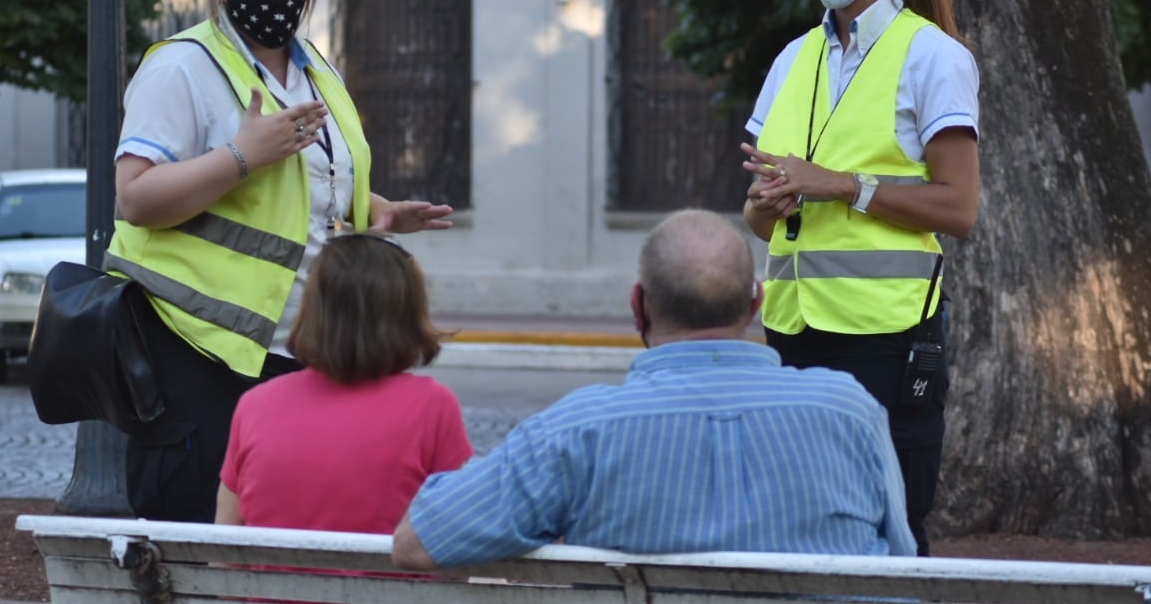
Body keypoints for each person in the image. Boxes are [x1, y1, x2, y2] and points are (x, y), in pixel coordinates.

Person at [105, 0, 453, 522]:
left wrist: (369, 208)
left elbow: (303, 182)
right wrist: (242, 155)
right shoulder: (180, 69)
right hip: (200, 354)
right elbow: (134, 199)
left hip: (303, 351)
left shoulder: (314, 68)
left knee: (286, 534)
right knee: (200, 545)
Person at [392, 209, 916, 569]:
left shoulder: (579, 429)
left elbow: (418, 543)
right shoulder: (851, 411)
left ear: (638, 306)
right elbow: (900, 561)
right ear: (755, 304)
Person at [741, 0, 980, 556]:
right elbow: (757, 219)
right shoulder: (792, 61)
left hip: (887, 336)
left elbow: (959, 208)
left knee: (888, 531)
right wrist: (768, 201)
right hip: (792, 334)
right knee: (797, 525)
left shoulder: (932, 57)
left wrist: (844, 184)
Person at [215, 234, 472, 532]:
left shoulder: (254, 405)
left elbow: (226, 542)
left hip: (270, 580)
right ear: (408, 312)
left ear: (312, 308)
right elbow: (458, 531)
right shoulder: (433, 405)